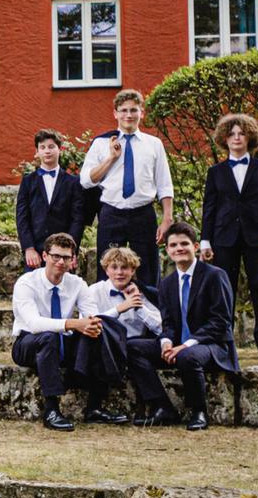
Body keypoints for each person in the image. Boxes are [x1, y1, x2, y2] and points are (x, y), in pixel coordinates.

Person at [199, 112, 258, 361]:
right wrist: (205, 240)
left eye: (241, 133)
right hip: (223, 238)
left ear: (250, 137)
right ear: (224, 138)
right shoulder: (216, 172)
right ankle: (224, 345)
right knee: (225, 293)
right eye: (231, 134)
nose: (236, 137)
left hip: (257, 238)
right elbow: (209, 208)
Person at [80, 90, 174, 289]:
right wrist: (110, 158)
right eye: (123, 110)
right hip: (112, 212)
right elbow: (86, 180)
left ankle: (151, 316)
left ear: (142, 113)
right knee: (108, 268)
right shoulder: (101, 143)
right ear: (115, 113)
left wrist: (167, 218)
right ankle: (108, 316)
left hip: (143, 213)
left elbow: (164, 184)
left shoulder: (154, 144)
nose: (128, 115)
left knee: (148, 270)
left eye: (134, 110)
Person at [155, 222, 238, 429]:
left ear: (195, 247)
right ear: (168, 250)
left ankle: (199, 411)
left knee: (187, 356)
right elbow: (168, 323)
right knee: (135, 347)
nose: (179, 248)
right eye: (173, 245)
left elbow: (221, 321)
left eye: (184, 243)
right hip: (178, 347)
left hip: (212, 345)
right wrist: (166, 342)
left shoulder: (214, 275)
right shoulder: (166, 283)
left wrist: (186, 345)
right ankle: (162, 406)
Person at [10, 231, 95, 431]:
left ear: (72, 260)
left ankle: (94, 404)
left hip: (63, 343)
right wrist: (73, 324)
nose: (60, 262)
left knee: (94, 333)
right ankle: (51, 409)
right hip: (27, 344)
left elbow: (91, 315)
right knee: (48, 337)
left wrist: (90, 324)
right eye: (56, 256)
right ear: (45, 256)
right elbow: (33, 324)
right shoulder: (26, 282)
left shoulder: (77, 284)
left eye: (66, 257)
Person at [73, 246, 160, 425]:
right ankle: (94, 407)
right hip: (103, 345)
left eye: (125, 267)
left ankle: (146, 409)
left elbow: (160, 328)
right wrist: (120, 308)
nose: (119, 272)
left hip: (133, 346)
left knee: (135, 351)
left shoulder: (141, 293)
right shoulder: (94, 290)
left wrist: (138, 306)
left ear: (133, 270)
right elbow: (87, 322)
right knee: (99, 333)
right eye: (114, 267)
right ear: (106, 270)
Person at [17, 130, 86, 271]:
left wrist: (71, 250)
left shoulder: (73, 182)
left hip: (63, 254)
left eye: (51, 146)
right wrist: (28, 248)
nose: (47, 151)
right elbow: (22, 217)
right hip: (35, 253)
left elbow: (77, 218)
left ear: (59, 149)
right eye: (42, 147)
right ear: (37, 152)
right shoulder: (28, 181)